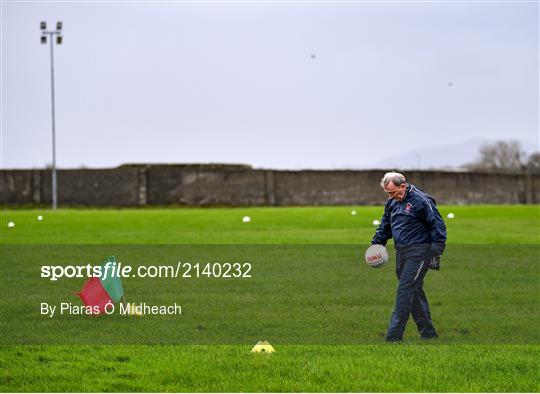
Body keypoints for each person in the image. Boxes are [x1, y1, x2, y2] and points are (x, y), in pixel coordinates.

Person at [371, 172, 447, 342]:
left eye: (393, 192)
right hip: (402, 253)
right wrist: (376, 245)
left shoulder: (421, 200)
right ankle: (428, 334)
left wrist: (435, 253)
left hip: (420, 252)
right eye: (388, 193)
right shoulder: (391, 203)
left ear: (403, 186)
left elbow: (438, 227)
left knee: (404, 292)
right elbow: (385, 227)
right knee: (415, 293)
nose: (391, 196)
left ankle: (393, 338)